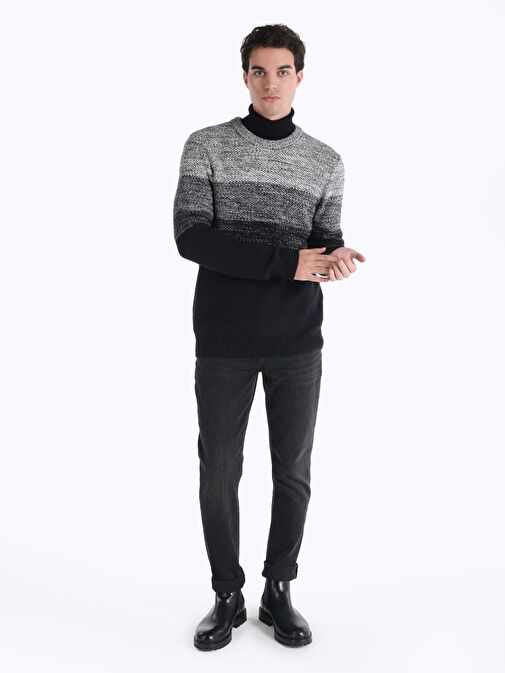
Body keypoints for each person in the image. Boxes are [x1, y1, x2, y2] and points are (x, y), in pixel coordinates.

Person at [173, 23, 365, 651]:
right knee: (218, 473)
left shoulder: (325, 161)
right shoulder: (206, 146)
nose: (271, 83)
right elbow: (192, 238)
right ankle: (226, 594)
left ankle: (278, 589)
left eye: (283, 71)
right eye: (260, 71)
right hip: (223, 338)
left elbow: (324, 242)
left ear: (299, 77)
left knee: (294, 473)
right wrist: (289, 263)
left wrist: (336, 259)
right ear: (245, 76)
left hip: (296, 341)